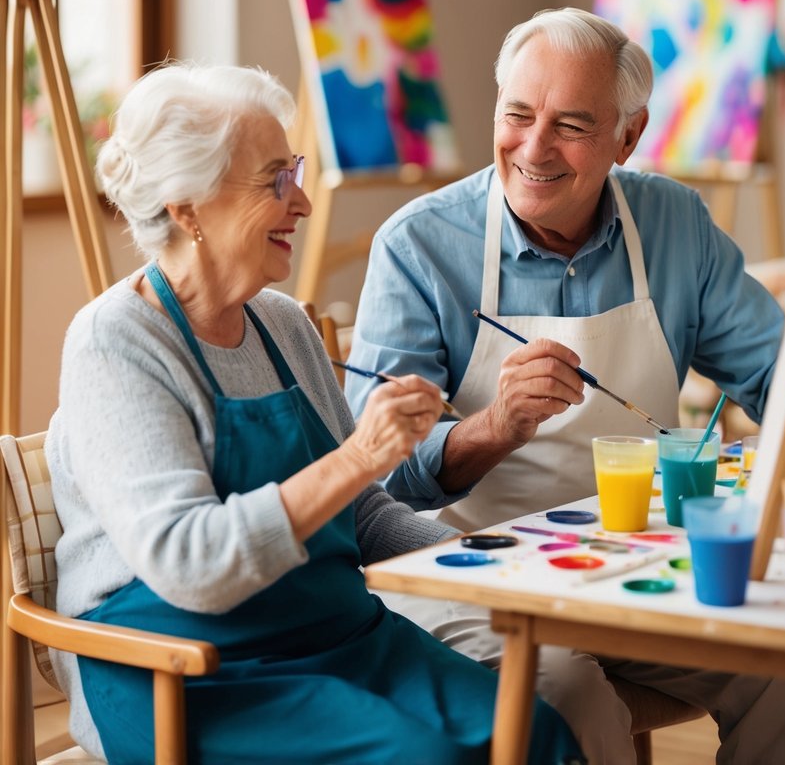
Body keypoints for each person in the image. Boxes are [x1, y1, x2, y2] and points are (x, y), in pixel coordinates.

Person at [45, 62, 584, 765]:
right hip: (188, 666)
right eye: (275, 179)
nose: (300, 202)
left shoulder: (281, 324)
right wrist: (361, 453)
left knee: (535, 735)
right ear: (187, 207)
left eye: (292, 170)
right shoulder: (114, 342)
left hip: (329, 632)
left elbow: (356, 513)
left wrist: (483, 559)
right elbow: (191, 566)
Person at [347, 7, 785, 765]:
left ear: (627, 136)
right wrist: (493, 427)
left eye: (570, 125)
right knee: (567, 691)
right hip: (471, 570)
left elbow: (779, 375)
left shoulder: (673, 222)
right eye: (516, 116)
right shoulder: (419, 244)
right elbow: (372, 473)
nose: (532, 149)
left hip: (632, 566)